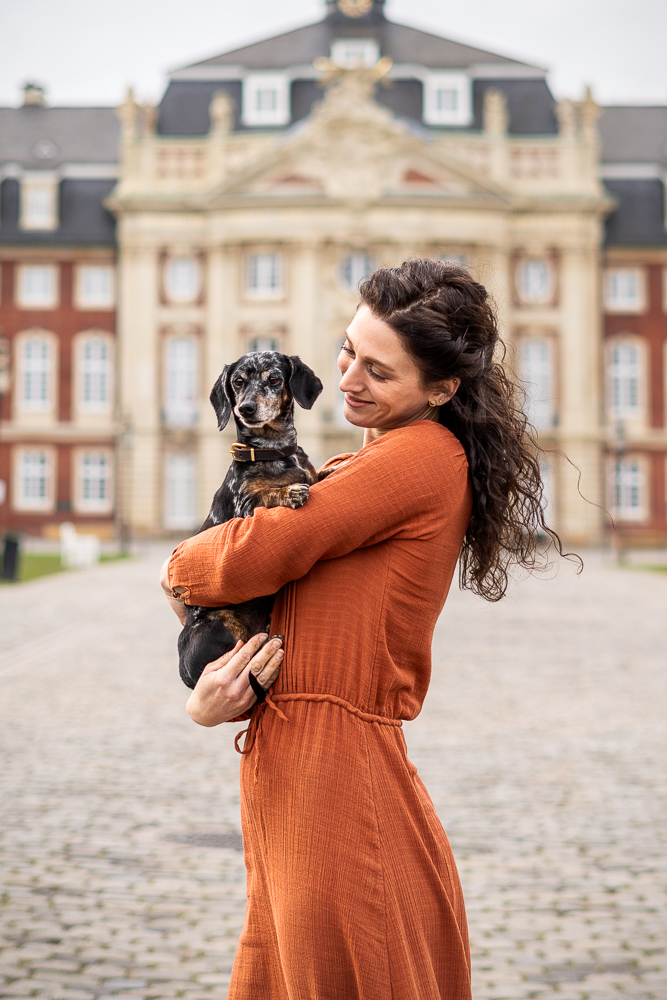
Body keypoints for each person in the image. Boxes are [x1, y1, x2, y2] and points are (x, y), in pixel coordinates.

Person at [160, 259, 569, 1000]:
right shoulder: (361, 462)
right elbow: (251, 597)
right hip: (292, 761)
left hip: (333, 775)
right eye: (348, 351)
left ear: (440, 390)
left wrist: (179, 565)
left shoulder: (416, 457)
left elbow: (242, 557)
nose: (346, 378)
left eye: (378, 371)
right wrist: (212, 696)